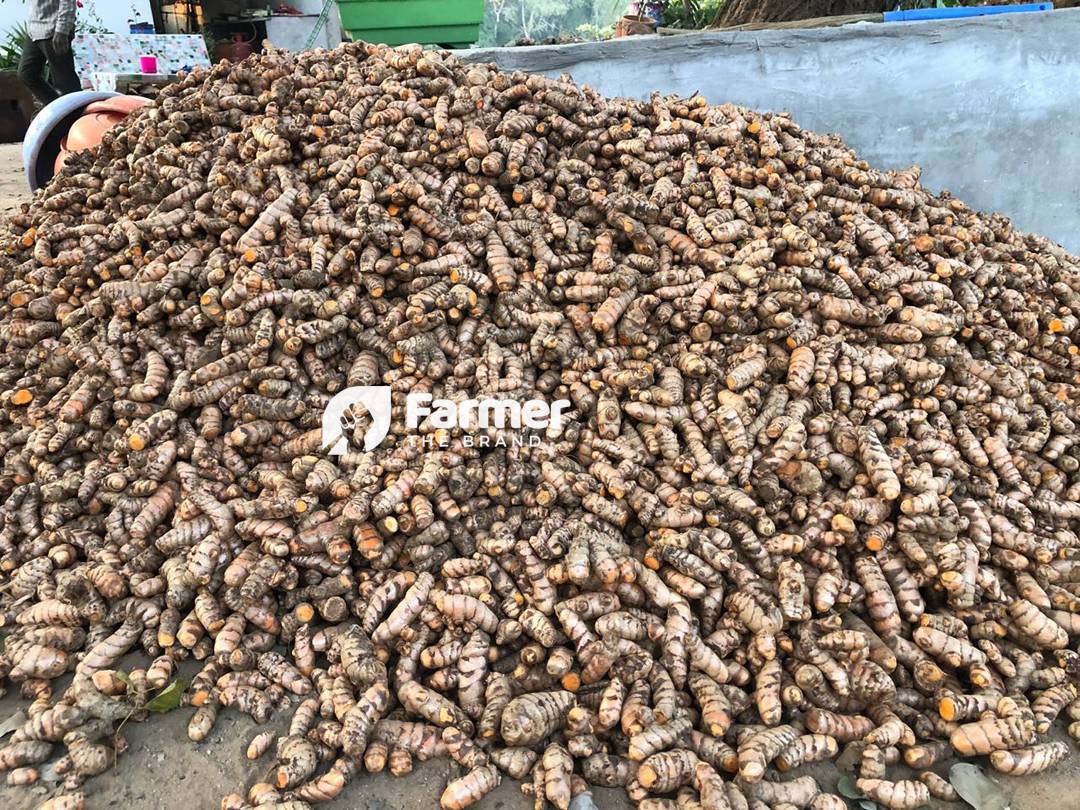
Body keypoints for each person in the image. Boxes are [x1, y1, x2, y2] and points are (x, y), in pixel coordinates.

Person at [18, 0, 82, 107]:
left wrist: (62, 30)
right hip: (34, 30)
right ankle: (58, 109)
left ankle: (77, 116)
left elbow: (68, 2)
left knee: (65, 82)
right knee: (27, 74)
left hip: (53, 30)